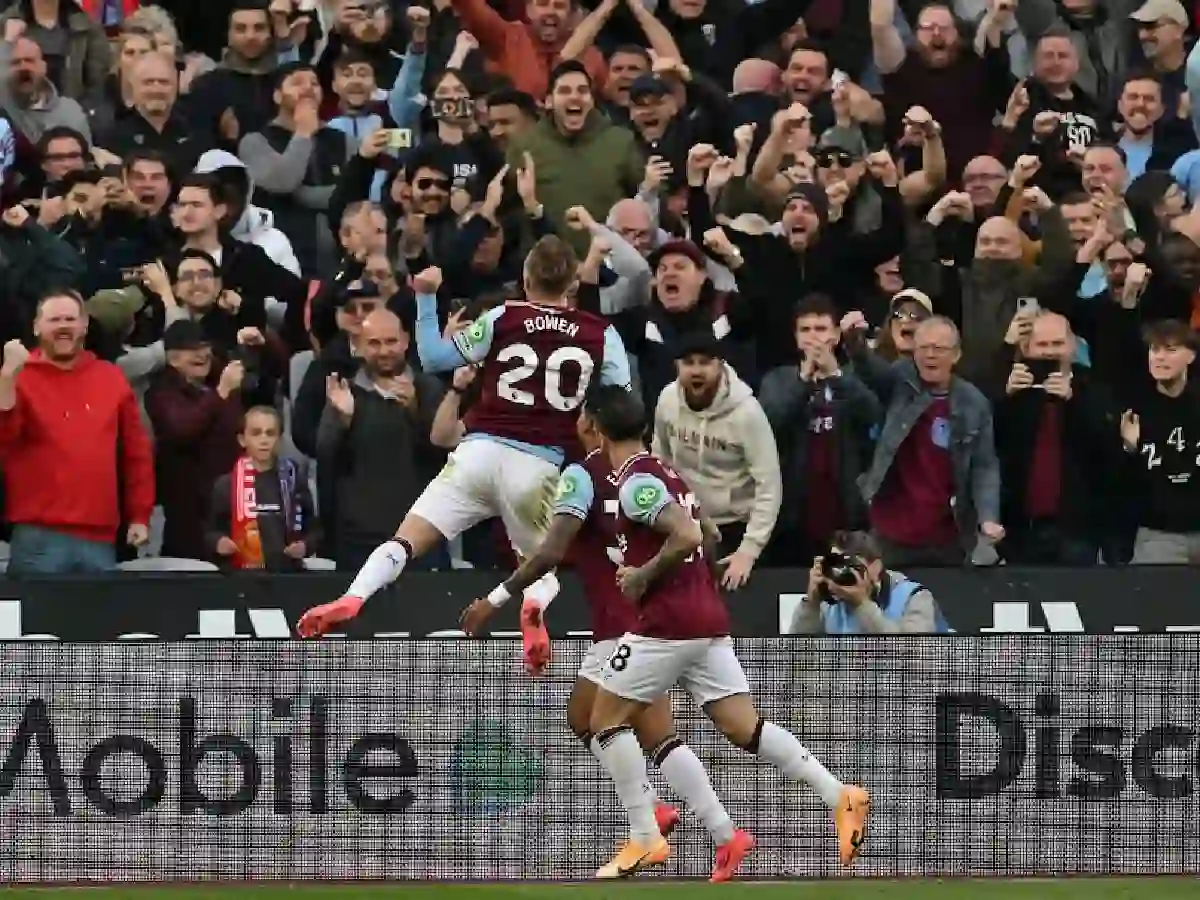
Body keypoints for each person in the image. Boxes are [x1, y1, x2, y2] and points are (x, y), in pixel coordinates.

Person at [296, 237, 633, 674]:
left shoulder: (502, 318)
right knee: (541, 568)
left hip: (478, 452)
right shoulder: (601, 335)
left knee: (404, 540)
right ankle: (532, 609)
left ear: (525, 280)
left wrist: (425, 297)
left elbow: (433, 358)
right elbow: (622, 402)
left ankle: (353, 596)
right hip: (538, 466)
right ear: (571, 284)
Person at [582, 384, 869, 879]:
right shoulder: (672, 475)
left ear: (598, 427)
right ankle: (838, 794)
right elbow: (710, 533)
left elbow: (690, 535)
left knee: (602, 719)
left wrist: (643, 576)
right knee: (744, 726)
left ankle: (646, 837)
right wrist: (697, 582)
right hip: (706, 620)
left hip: (668, 624)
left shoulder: (634, 482)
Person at [460, 388, 754, 852]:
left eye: (582, 414)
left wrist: (496, 599)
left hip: (631, 619)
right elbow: (707, 534)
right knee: (596, 719)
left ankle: (681, 829)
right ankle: (678, 818)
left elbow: (551, 552)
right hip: (638, 615)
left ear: (593, 424)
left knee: (628, 727)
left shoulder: (583, 475)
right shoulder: (652, 472)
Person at [0, 290, 154, 573]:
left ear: (84, 325)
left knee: (101, 619)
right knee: (41, 618)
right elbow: (4, 440)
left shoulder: (110, 376)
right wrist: (7, 377)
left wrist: (140, 515)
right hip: (37, 536)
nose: (63, 326)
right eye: (54, 319)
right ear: (36, 327)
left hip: (101, 536)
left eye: (70, 319)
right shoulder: (18, 376)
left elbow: (137, 453)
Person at [789, 530, 952, 634]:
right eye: (835, 564)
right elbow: (796, 659)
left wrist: (862, 605)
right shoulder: (831, 602)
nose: (841, 572)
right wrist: (811, 603)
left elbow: (915, 659)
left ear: (875, 567)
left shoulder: (914, 598)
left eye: (849, 564)